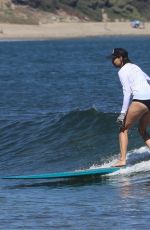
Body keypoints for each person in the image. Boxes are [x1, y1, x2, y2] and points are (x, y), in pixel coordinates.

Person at [111, 48, 150, 167]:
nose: (112, 61)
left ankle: (122, 160)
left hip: (140, 100)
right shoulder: (135, 67)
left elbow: (127, 92)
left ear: (121, 58)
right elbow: (148, 79)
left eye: (114, 58)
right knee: (142, 130)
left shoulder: (122, 71)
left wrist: (123, 113)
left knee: (123, 129)